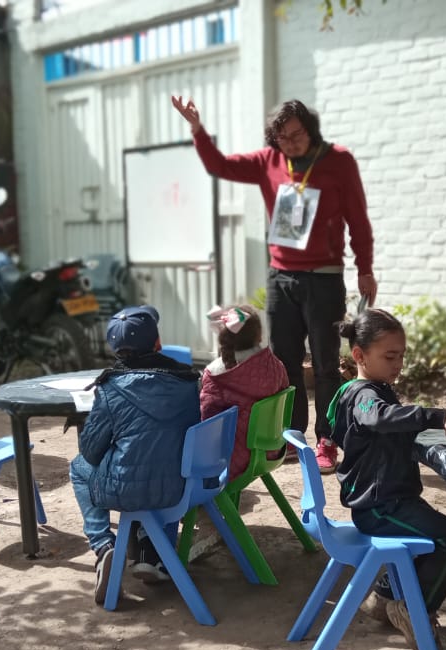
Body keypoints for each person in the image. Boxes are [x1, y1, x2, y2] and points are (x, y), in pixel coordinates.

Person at [172, 95, 376, 474]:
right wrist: (197, 129)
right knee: (284, 363)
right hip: (281, 277)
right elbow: (219, 165)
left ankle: (327, 441)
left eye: (297, 135)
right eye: (283, 138)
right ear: (274, 138)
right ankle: (291, 435)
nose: (291, 143)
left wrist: (365, 268)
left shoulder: (338, 161)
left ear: (310, 130)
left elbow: (358, 220)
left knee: (327, 363)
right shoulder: (268, 161)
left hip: (324, 277)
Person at [329, 309, 446, 650]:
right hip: (381, 507)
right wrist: (434, 415)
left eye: (401, 356)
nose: (398, 363)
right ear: (359, 355)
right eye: (390, 356)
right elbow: (377, 418)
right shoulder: (363, 395)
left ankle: (385, 596)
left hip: (390, 501)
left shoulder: (376, 389)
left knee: (431, 533)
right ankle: (414, 611)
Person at [69, 305, 201, 605]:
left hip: (131, 489)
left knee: (79, 468)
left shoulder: (110, 388)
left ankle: (103, 546)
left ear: (114, 349)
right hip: (182, 486)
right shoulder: (189, 380)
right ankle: (149, 551)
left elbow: (90, 451)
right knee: (158, 455)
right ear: (157, 343)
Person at [199, 304, 290, 481]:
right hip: (271, 449)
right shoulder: (276, 366)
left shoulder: (216, 374)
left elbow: (207, 420)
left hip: (234, 459)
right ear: (260, 336)